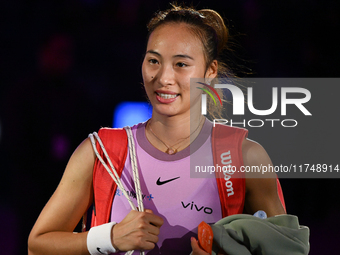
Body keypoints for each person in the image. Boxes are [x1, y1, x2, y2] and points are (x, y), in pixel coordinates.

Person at [28, 4, 286, 255]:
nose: (163, 78)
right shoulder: (101, 153)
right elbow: (37, 246)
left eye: (181, 64)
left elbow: (286, 248)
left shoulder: (246, 157)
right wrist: (110, 238)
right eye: (154, 60)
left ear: (210, 72)